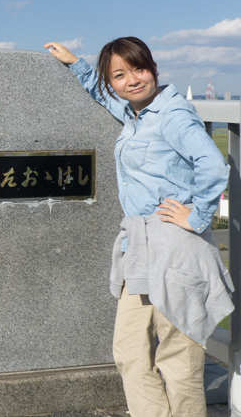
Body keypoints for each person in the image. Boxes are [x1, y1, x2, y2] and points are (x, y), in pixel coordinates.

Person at [45, 37, 233, 417]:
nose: (131, 80)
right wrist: (75, 63)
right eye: (120, 75)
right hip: (140, 249)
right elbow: (105, 95)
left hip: (176, 248)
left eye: (139, 69)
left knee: (178, 362)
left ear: (154, 68)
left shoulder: (173, 114)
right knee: (129, 352)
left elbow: (213, 166)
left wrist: (196, 217)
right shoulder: (136, 112)